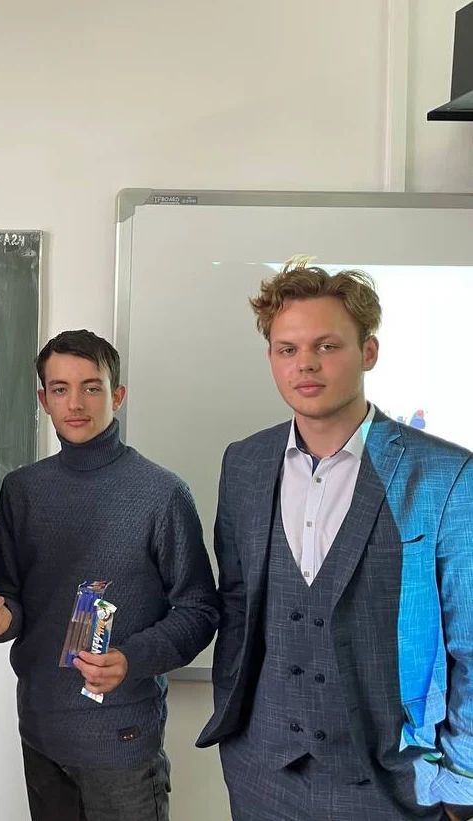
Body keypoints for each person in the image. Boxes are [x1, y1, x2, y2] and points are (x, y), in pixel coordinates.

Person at [196, 257, 473, 821]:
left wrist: (461, 784)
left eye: (327, 346)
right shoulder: (244, 463)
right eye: (287, 349)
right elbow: (239, 602)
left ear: (368, 352)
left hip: (393, 785)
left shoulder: (445, 476)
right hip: (262, 774)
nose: (305, 364)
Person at [0, 329, 219, 821]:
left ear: (117, 395)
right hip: (40, 732)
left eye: (91, 387)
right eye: (60, 389)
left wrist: (132, 658)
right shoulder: (21, 491)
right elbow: (13, 596)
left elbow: (199, 610)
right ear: (43, 399)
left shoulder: (161, 493)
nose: (75, 403)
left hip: (122, 740)